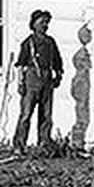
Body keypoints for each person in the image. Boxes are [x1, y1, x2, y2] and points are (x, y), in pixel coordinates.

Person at [12, 9, 63, 155]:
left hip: (46, 80)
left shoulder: (50, 42)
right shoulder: (28, 43)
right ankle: (19, 145)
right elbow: (21, 65)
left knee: (46, 115)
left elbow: (57, 61)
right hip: (31, 80)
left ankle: (44, 143)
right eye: (42, 22)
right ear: (33, 24)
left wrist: (58, 76)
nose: (45, 26)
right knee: (26, 115)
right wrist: (21, 83)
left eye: (46, 22)